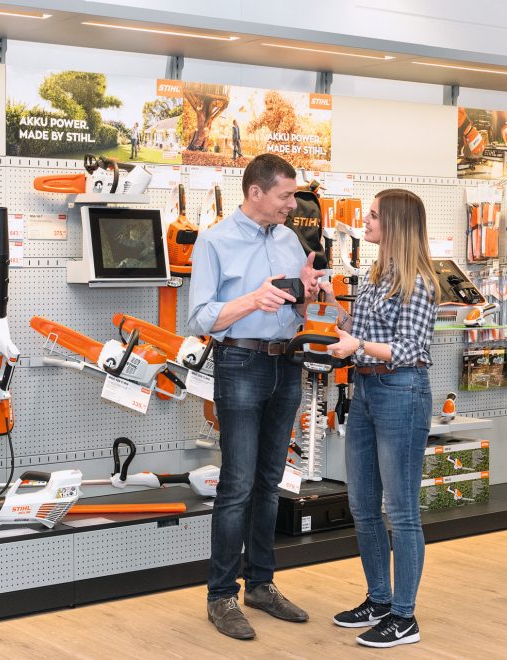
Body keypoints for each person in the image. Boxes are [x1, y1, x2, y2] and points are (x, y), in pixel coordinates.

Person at [188, 153, 325, 640]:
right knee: (238, 485)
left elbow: (297, 308)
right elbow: (200, 317)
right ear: (256, 193)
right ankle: (221, 595)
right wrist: (253, 298)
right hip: (240, 364)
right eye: (285, 196)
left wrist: (307, 294)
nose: (292, 205)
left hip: (286, 363)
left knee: (270, 482)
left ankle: (261, 585)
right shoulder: (214, 241)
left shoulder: (288, 239)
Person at [325, 189, 438, 648]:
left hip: (402, 392)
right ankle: (379, 599)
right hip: (367, 390)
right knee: (363, 505)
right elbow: (358, 332)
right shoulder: (376, 275)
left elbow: (410, 349)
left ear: (395, 224)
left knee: (403, 512)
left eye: (372, 215)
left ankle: (404, 617)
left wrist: (359, 347)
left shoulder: (419, 281)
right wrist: (328, 303)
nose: (365, 221)